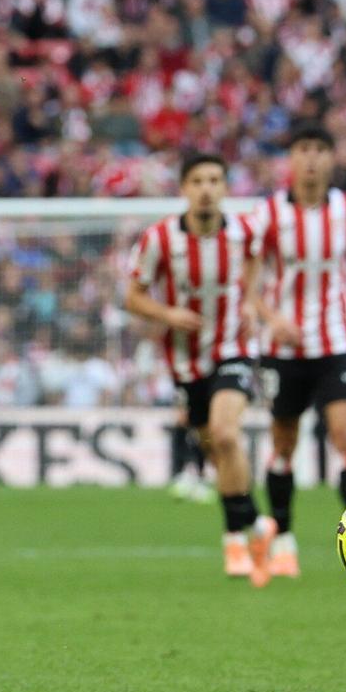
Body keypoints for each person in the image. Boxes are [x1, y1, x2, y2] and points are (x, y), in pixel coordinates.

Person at [245, 123, 346, 578]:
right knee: (283, 445)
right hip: (283, 346)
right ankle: (284, 541)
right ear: (289, 159)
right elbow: (247, 284)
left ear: (332, 158)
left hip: (339, 341)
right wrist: (272, 319)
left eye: (319, 150)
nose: (310, 158)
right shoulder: (267, 215)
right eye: (302, 150)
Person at [124, 154, 275, 584]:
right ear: (184, 189)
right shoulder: (159, 239)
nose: (207, 188)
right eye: (198, 181)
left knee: (227, 433)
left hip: (233, 347)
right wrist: (168, 314)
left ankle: (236, 539)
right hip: (186, 360)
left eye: (214, 180)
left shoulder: (244, 232)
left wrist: (248, 300)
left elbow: (255, 262)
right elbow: (133, 296)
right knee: (216, 448)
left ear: (225, 187)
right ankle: (252, 526)